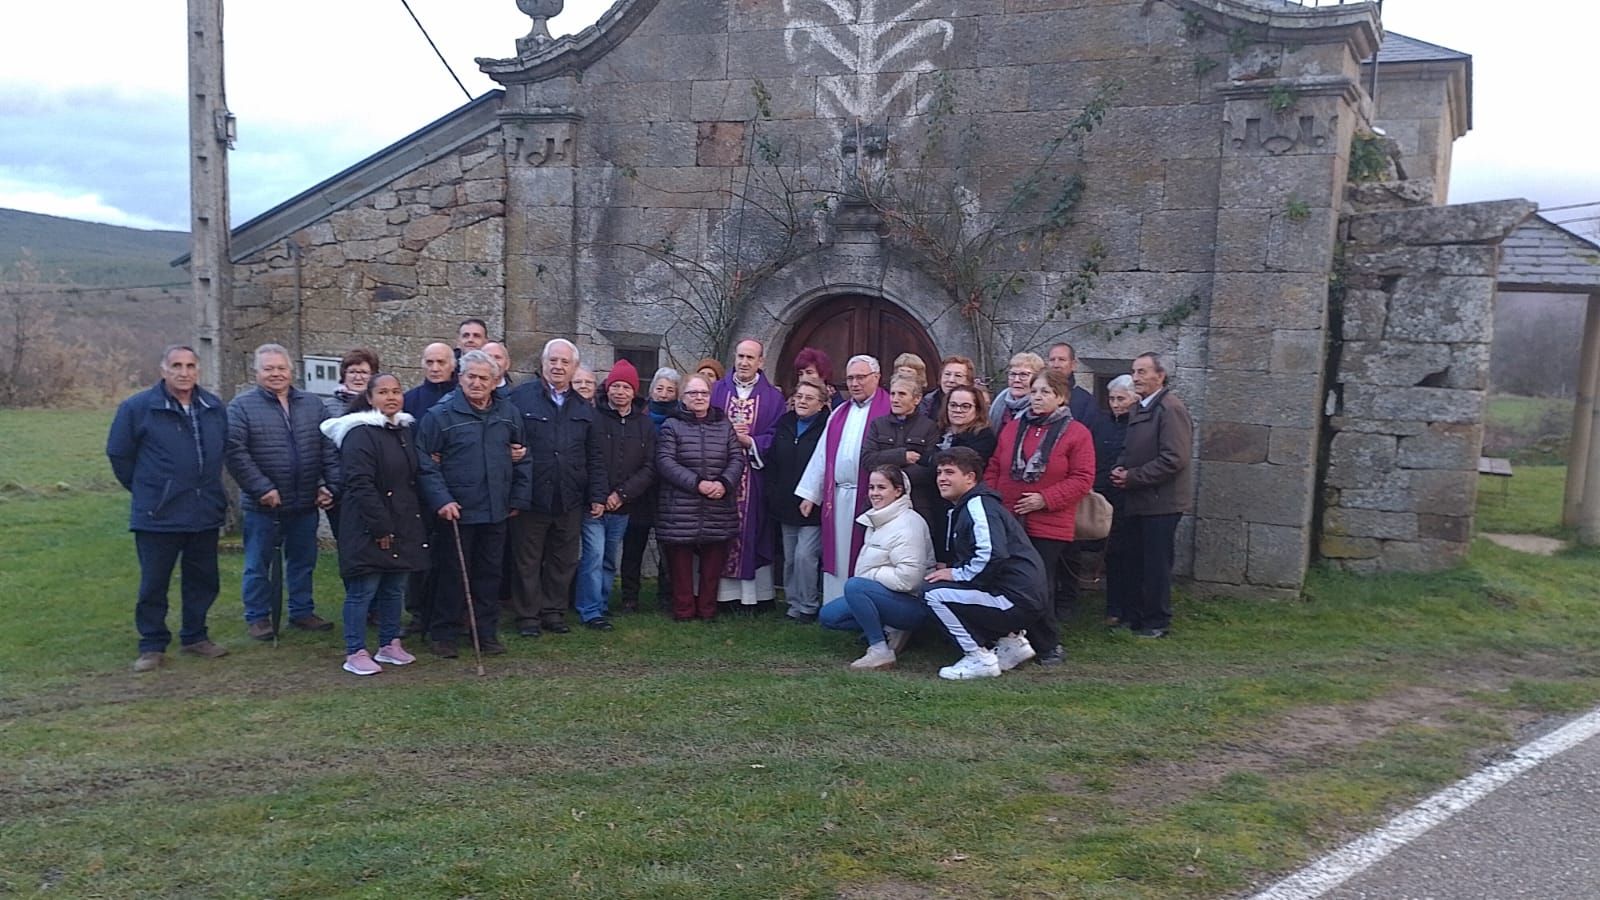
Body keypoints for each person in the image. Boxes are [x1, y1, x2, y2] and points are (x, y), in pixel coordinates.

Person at [107, 345, 230, 672]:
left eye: (190, 365)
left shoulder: (212, 406)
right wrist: (150, 490)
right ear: (163, 370)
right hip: (158, 515)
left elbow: (221, 451)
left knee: (203, 580)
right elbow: (119, 455)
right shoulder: (138, 408)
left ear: (198, 370)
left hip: (204, 511)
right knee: (154, 583)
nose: (183, 372)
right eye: (176, 365)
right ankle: (152, 645)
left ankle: (195, 635)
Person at [415, 350, 530, 658]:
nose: (476, 383)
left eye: (483, 378)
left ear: (495, 381)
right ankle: (443, 633)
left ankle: (485, 632)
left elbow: (523, 455)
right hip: (458, 511)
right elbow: (425, 464)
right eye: (471, 377)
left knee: (490, 575)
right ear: (460, 378)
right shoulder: (440, 415)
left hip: (497, 509)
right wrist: (442, 500)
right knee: (453, 574)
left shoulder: (508, 413)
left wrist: (518, 497)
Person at [225, 343, 338, 640]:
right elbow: (235, 452)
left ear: (292, 370)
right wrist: (262, 488)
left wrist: (328, 486)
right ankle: (258, 617)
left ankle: (302, 611)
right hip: (264, 505)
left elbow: (327, 448)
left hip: (305, 501)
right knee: (258, 563)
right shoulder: (241, 406)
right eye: (268, 368)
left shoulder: (313, 404)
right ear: (257, 372)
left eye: (281, 368)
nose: (276, 374)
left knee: (303, 561)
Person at [983, 368, 1095, 667]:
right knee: (1008, 579)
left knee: (1036, 584)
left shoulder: (1076, 433)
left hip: (1049, 522)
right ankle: (1012, 640)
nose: (1038, 397)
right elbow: (995, 466)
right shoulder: (1013, 428)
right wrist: (995, 500)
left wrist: (1044, 499)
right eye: (1034, 391)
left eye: (1045, 392)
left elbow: (1082, 478)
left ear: (1060, 397)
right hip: (1010, 518)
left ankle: (1047, 644)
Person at [320, 373, 427, 676]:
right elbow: (360, 483)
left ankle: (389, 643)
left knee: (395, 586)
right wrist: (381, 527)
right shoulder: (359, 433)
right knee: (363, 589)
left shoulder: (403, 430)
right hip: (368, 523)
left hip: (402, 519)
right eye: (383, 392)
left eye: (396, 391)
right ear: (370, 398)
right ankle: (355, 650)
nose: (391, 397)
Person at [506, 339, 606, 637]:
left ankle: (553, 612)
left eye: (565, 362)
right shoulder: (520, 398)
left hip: (570, 496)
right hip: (532, 494)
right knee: (528, 560)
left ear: (574, 368)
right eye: (553, 360)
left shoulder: (585, 407)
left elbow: (595, 455)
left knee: (563, 559)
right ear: (543, 363)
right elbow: (506, 438)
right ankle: (527, 617)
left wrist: (597, 495)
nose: (558, 366)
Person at [923, 447, 1049, 680]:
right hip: (1023, 596)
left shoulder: (978, 505)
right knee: (947, 587)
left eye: (950, 472)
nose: (941, 478)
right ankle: (1012, 644)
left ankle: (978, 657)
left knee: (933, 593)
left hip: (1014, 599)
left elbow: (992, 553)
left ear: (970, 478)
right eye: (939, 472)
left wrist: (958, 574)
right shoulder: (971, 505)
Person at [818, 465, 935, 670]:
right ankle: (889, 630)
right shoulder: (879, 518)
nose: (874, 493)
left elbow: (909, 579)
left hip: (914, 603)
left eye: (881, 487)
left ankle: (879, 649)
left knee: (856, 587)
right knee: (829, 616)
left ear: (898, 491)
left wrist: (869, 575)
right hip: (885, 594)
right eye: (871, 487)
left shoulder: (908, 524)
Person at [1110, 352, 1193, 639]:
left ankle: (1157, 622)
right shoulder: (1141, 408)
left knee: (1156, 564)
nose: (1136, 378)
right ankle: (1135, 616)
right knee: (1135, 560)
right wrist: (1121, 467)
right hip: (1138, 500)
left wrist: (1134, 477)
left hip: (1161, 502)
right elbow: (1131, 447)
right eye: (1134, 372)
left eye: (1143, 372)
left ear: (1161, 375)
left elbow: (1174, 458)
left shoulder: (1170, 408)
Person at [795, 354, 891, 601]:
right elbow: (822, 456)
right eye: (850, 378)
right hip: (837, 497)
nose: (855, 383)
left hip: (872, 496)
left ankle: (864, 606)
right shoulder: (838, 413)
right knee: (837, 554)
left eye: (861, 377)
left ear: (877, 378)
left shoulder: (888, 408)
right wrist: (810, 494)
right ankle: (835, 604)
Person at [655, 375, 743, 621]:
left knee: (713, 563)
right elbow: (665, 462)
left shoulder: (724, 425)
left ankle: (707, 610)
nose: (699, 398)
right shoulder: (671, 425)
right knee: (680, 565)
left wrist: (724, 483)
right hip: (681, 506)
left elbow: (737, 458)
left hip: (718, 504)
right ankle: (683, 610)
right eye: (693, 393)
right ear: (683, 398)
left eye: (703, 393)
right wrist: (698, 484)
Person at [581, 360, 655, 630]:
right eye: (616, 386)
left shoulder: (644, 425)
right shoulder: (593, 418)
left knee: (609, 558)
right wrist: (599, 497)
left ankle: (601, 604)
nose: (620, 392)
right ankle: (590, 610)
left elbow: (649, 466)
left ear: (634, 391)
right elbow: (591, 459)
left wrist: (622, 495)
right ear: (608, 389)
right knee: (593, 556)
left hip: (623, 505)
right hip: (594, 504)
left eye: (626, 387)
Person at [711, 339, 785, 611]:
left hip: (754, 477)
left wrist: (750, 442)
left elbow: (776, 436)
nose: (743, 362)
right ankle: (720, 597)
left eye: (750, 358)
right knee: (720, 532)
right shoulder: (717, 390)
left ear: (761, 362)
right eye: (740, 356)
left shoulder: (774, 398)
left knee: (753, 532)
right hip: (720, 474)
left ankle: (752, 598)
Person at [767, 377, 828, 622]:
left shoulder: (827, 427)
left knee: (806, 555)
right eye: (799, 396)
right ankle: (793, 605)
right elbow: (773, 459)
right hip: (784, 501)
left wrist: (816, 494)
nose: (802, 402)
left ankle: (809, 605)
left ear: (822, 404)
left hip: (811, 504)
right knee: (790, 557)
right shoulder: (785, 422)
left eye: (809, 398)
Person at [620, 367, 681, 612]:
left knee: (668, 547)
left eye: (670, 390)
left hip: (668, 491)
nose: (664, 394)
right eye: (660, 388)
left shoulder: (679, 418)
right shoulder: (638, 415)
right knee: (634, 545)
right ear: (651, 390)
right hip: (640, 489)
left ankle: (666, 595)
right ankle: (629, 597)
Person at [862, 373, 941, 531]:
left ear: (917, 399)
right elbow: (868, 459)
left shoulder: (929, 427)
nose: (895, 399)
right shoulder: (878, 425)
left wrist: (893, 480)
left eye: (902, 394)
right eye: (892, 393)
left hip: (917, 503)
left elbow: (930, 468)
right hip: (880, 506)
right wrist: (902, 456)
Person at [930, 384, 997, 555]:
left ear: (977, 409)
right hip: (935, 502)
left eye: (965, 406)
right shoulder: (936, 432)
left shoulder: (983, 437)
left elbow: (958, 464)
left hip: (965, 504)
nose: (958, 410)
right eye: (953, 405)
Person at [1095, 375, 1138, 627]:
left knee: (1127, 554)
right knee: (1110, 553)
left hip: (1128, 496)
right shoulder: (1102, 424)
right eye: (1112, 398)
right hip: (1104, 495)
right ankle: (1113, 607)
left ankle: (1128, 608)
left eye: (1121, 398)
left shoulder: (1138, 425)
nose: (1115, 404)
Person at [988, 351, 1045, 433]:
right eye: (1013, 374)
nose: (1016, 380)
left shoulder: (1041, 407)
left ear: (1037, 378)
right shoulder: (1000, 400)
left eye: (1024, 375)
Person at [1045, 342, 1099, 428]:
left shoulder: (1085, 401)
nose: (1056, 365)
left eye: (1062, 360)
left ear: (1073, 365)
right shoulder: (1036, 395)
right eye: (1052, 360)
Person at [403, 342, 456, 418]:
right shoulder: (408, 400)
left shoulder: (465, 397)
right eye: (429, 363)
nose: (435, 369)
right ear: (423, 365)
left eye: (441, 362)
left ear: (453, 365)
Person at [323, 348, 380, 417]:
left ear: (373, 375)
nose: (358, 378)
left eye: (364, 373)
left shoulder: (382, 405)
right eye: (352, 372)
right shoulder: (327, 406)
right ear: (344, 375)